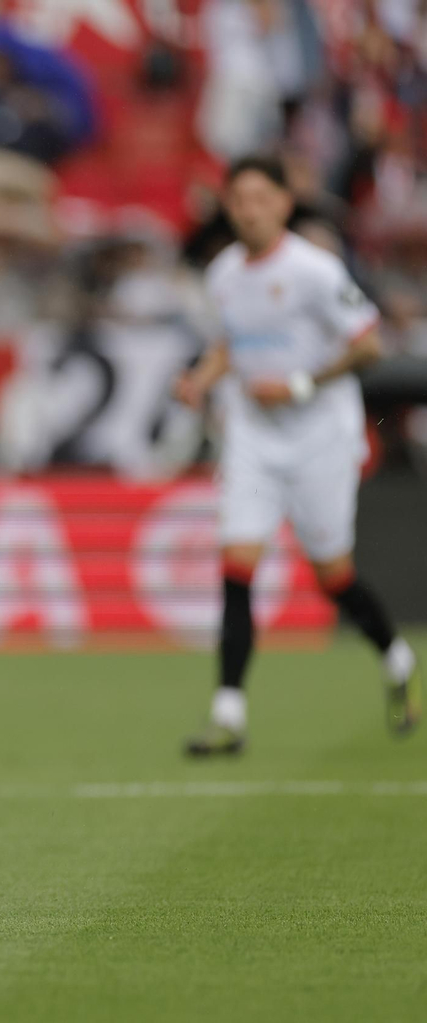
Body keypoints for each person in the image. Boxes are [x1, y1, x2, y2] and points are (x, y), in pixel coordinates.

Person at [175, 155, 421, 755]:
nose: (249, 210)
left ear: (284, 204)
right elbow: (231, 343)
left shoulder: (315, 270)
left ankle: (395, 656)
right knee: (236, 566)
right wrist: (203, 379)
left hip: (319, 436)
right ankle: (228, 715)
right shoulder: (224, 273)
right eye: (238, 200)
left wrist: (301, 384)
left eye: (261, 198)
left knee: (333, 575)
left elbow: (368, 344)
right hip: (255, 437)